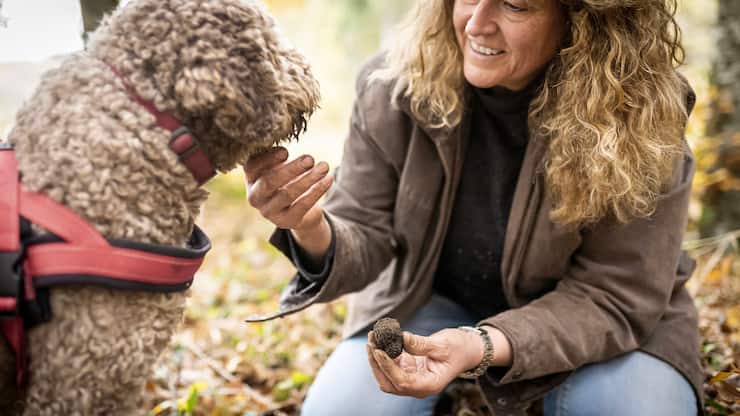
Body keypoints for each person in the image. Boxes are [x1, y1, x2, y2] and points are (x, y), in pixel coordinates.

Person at [243, 0, 702, 414]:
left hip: (596, 321)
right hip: (432, 302)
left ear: (580, 20)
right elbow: (365, 227)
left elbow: (616, 293)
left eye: (515, 6)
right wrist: (309, 224)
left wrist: (481, 344)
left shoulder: (642, 114)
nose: (477, 24)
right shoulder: (393, 87)